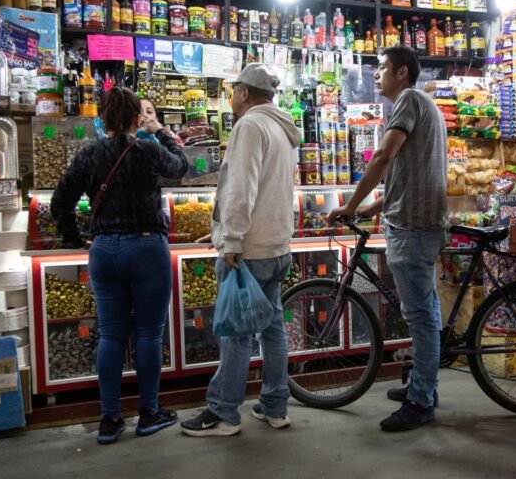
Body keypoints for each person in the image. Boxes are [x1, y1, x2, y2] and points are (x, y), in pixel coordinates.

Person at [51, 87, 188, 444]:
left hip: (104, 251)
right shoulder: (146, 148)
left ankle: (109, 419)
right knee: (148, 334)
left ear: (103, 118)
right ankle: (149, 412)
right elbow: (180, 167)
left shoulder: (89, 154)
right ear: (135, 117)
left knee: (111, 335)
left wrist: (74, 239)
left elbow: (59, 201)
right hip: (146, 248)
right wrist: (160, 131)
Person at [327, 46, 447, 432]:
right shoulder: (424, 104)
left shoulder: (409, 99)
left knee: (420, 317)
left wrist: (350, 204)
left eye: (382, 68)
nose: (376, 74)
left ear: (401, 72)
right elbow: (408, 176)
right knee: (426, 312)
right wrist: (369, 208)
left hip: (413, 227)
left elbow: (383, 157)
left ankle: (420, 401)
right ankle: (425, 384)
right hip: (419, 222)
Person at [180, 63, 300, 437]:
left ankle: (223, 413)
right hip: (277, 245)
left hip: (249, 251)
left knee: (236, 333)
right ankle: (275, 407)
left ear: (244, 92)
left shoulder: (250, 125)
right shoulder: (283, 127)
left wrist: (231, 239)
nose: (232, 97)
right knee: (272, 329)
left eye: (233, 90)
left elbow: (241, 189)